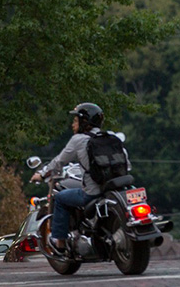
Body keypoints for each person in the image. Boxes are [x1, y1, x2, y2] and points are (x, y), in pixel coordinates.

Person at [30, 103, 130, 255]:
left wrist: (42, 174)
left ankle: (60, 243)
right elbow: (127, 164)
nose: (73, 124)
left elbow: (59, 162)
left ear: (84, 122)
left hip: (93, 192)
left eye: (75, 120)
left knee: (60, 198)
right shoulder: (111, 137)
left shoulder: (78, 140)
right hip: (116, 188)